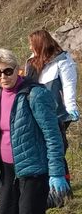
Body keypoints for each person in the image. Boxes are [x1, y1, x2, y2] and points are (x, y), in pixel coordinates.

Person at [0, 48, 68, 213]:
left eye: (8, 71)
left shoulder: (35, 94)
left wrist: (56, 173)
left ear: (17, 69)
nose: (3, 77)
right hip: (6, 170)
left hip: (34, 171)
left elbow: (53, 135)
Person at [25, 29, 78, 195]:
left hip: (58, 113)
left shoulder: (62, 60)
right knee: (44, 147)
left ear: (40, 44)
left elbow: (69, 85)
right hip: (38, 111)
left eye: (32, 44)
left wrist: (71, 107)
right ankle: (49, 186)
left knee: (57, 147)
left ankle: (63, 188)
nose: (29, 47)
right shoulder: (32, 62)